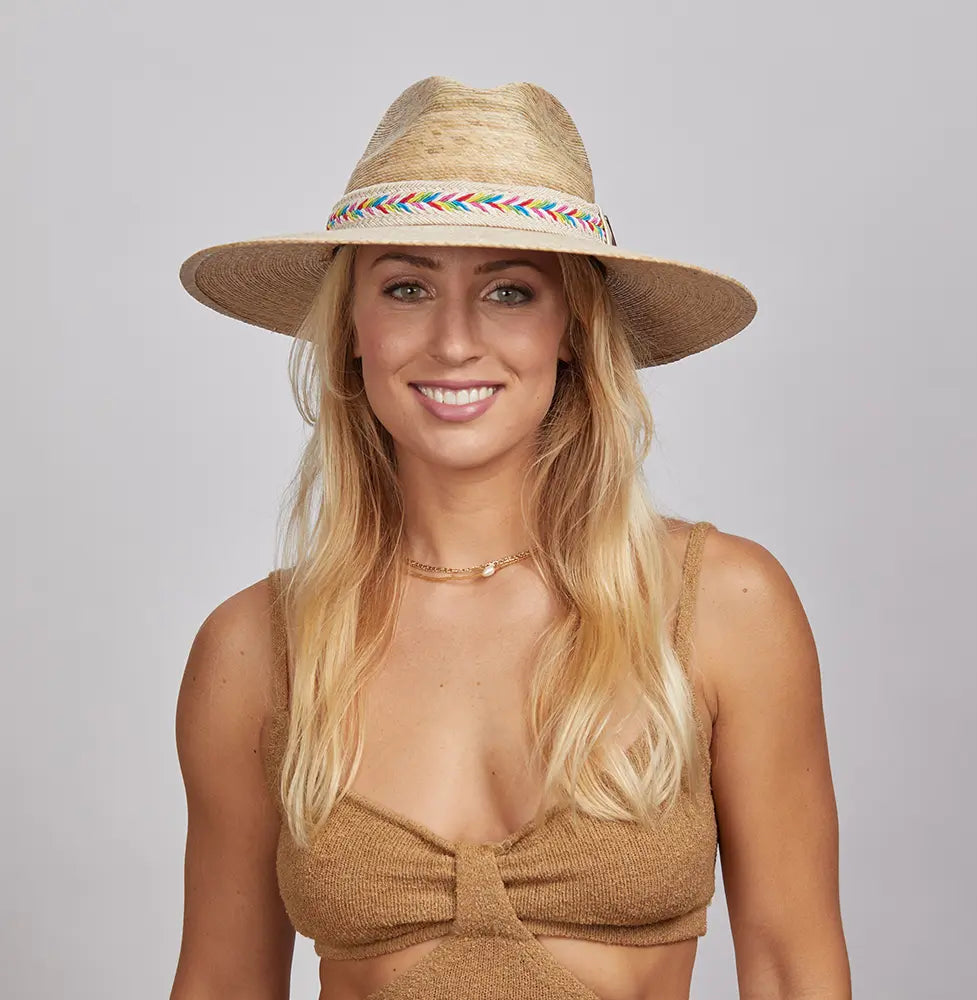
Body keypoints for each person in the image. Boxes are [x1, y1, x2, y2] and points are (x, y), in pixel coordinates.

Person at [170, 77, 851, 1000]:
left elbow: (793, 969)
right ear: (352, 329)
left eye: (508, 291)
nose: (454, 342)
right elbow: (221, 983)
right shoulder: (256, 648)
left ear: (571, 326)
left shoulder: (721, 606)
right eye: (407, 287)